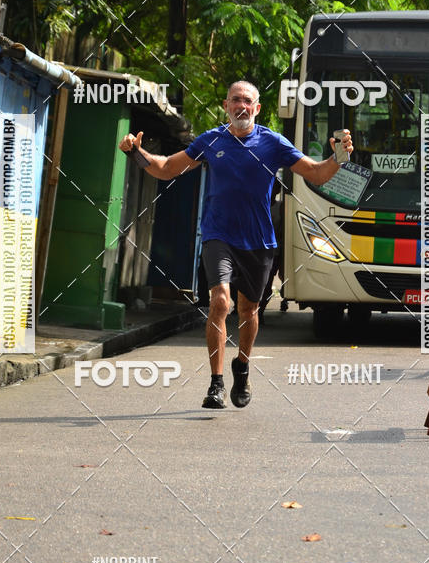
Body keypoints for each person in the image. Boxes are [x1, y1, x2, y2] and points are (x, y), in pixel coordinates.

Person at [118, 80, 353, 410]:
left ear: (257, 108)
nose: (241, 106)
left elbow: (315, 173)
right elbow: (168, 168)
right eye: (235, 100)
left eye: (248, 101)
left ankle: (241, 366)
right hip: (218, 235)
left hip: (259, 241)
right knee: (220, 301)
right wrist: (136, 154)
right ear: (226, 106)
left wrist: (338, 157)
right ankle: (216, 383)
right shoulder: (212, 140)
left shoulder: (273, 143)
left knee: (249, 309)